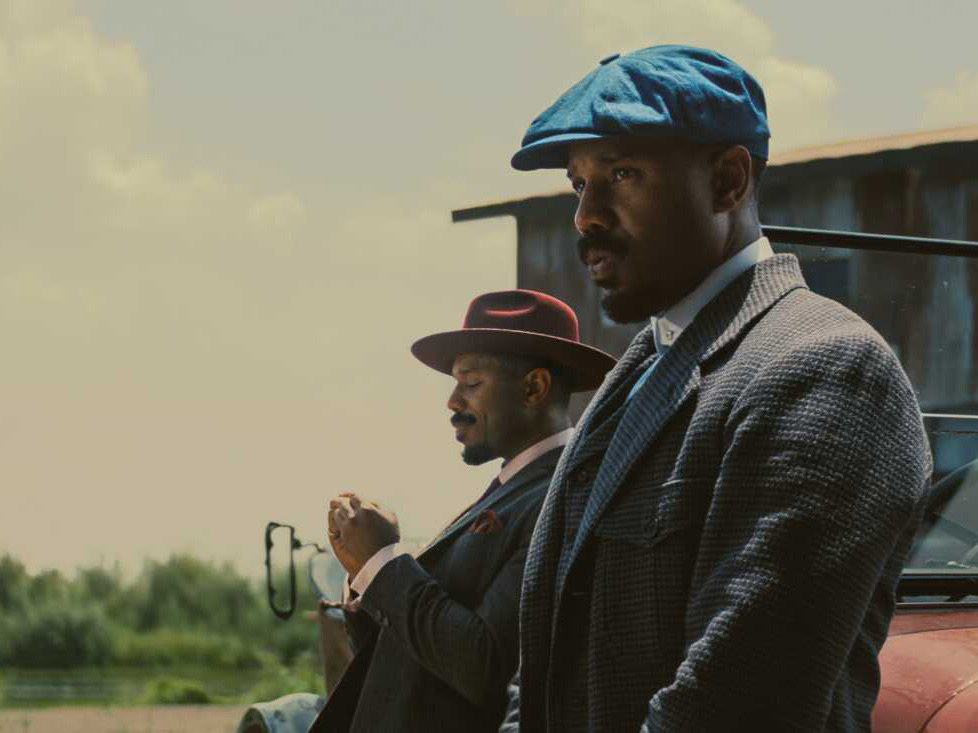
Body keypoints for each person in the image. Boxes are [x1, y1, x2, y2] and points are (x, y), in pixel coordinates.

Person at [500, 45, 932, 732]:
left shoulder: (822, 367)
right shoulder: (637, 373)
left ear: (729, 180)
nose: (586, 215)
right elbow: (546, 666)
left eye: (621, 173)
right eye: (577, 184)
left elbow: (733, 704)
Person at [308, 289, 616, 733]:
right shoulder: (511, 491)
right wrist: (365, 576)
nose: (453, 401)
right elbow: (422, 652)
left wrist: (382, 564)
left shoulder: (562, 497)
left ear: (534, 387)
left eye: (471, 383)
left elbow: (485, 664)